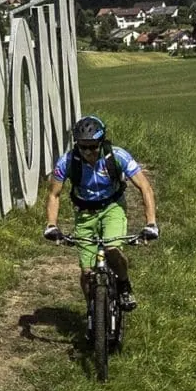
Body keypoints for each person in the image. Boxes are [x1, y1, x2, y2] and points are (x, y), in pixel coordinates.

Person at [42, 116, 158, 306]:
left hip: (112, 207)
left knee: (112, 249)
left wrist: (151, 223)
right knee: (87, 271)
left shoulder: (117, 156)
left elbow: (145, 187)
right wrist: (51, 225)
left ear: (101, 142)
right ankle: (93, 313)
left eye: (93, 146)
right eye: (83, 147)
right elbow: (54, 195)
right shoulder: (67, 161)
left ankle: (124, 285)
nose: (88, 152)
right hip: (84, 213)